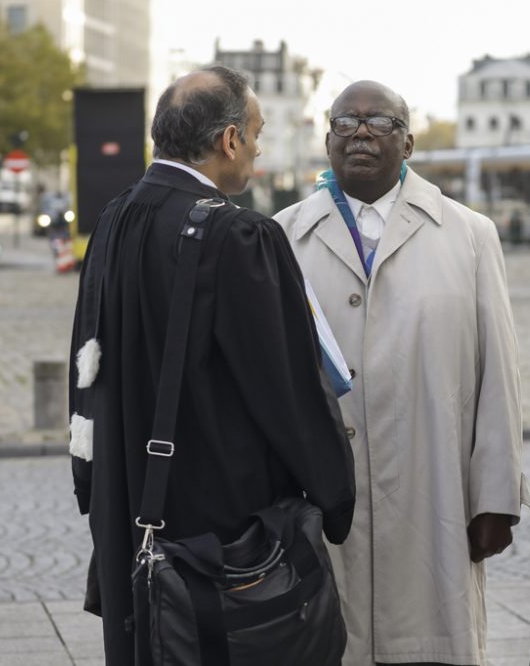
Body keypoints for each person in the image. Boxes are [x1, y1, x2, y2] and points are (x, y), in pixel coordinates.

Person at [67, 65, 356, 664]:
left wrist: (95, 487)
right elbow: (288, 388)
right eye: (255, 133)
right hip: (220, 523)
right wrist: (334, 496)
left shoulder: (114, 220)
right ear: (228, 140)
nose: (257, 148)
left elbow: (85, 365)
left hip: (132, 500)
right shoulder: (240, 236)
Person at [274, 80, 529, 666]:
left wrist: (496, 495)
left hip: (433, 495)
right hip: (320, 499)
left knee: (430, 643)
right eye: (345, 122)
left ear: (408, 142)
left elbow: (500, 377)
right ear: (327, 140)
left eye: (380, 122)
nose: (360, 132)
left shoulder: (469, 235)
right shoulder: (281, 236)